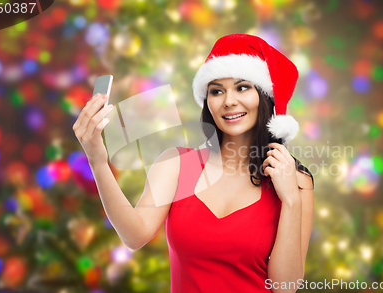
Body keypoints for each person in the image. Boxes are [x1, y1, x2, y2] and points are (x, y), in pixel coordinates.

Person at [73, 33, 314, 293]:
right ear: (207, 101)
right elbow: (134, 235)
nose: (229, 101)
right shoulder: (176, 164)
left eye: (242, 87)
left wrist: (290, 200)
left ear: (265, 96)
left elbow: (285, 287)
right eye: (216, 91)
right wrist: (98, 161)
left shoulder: (296, 181)